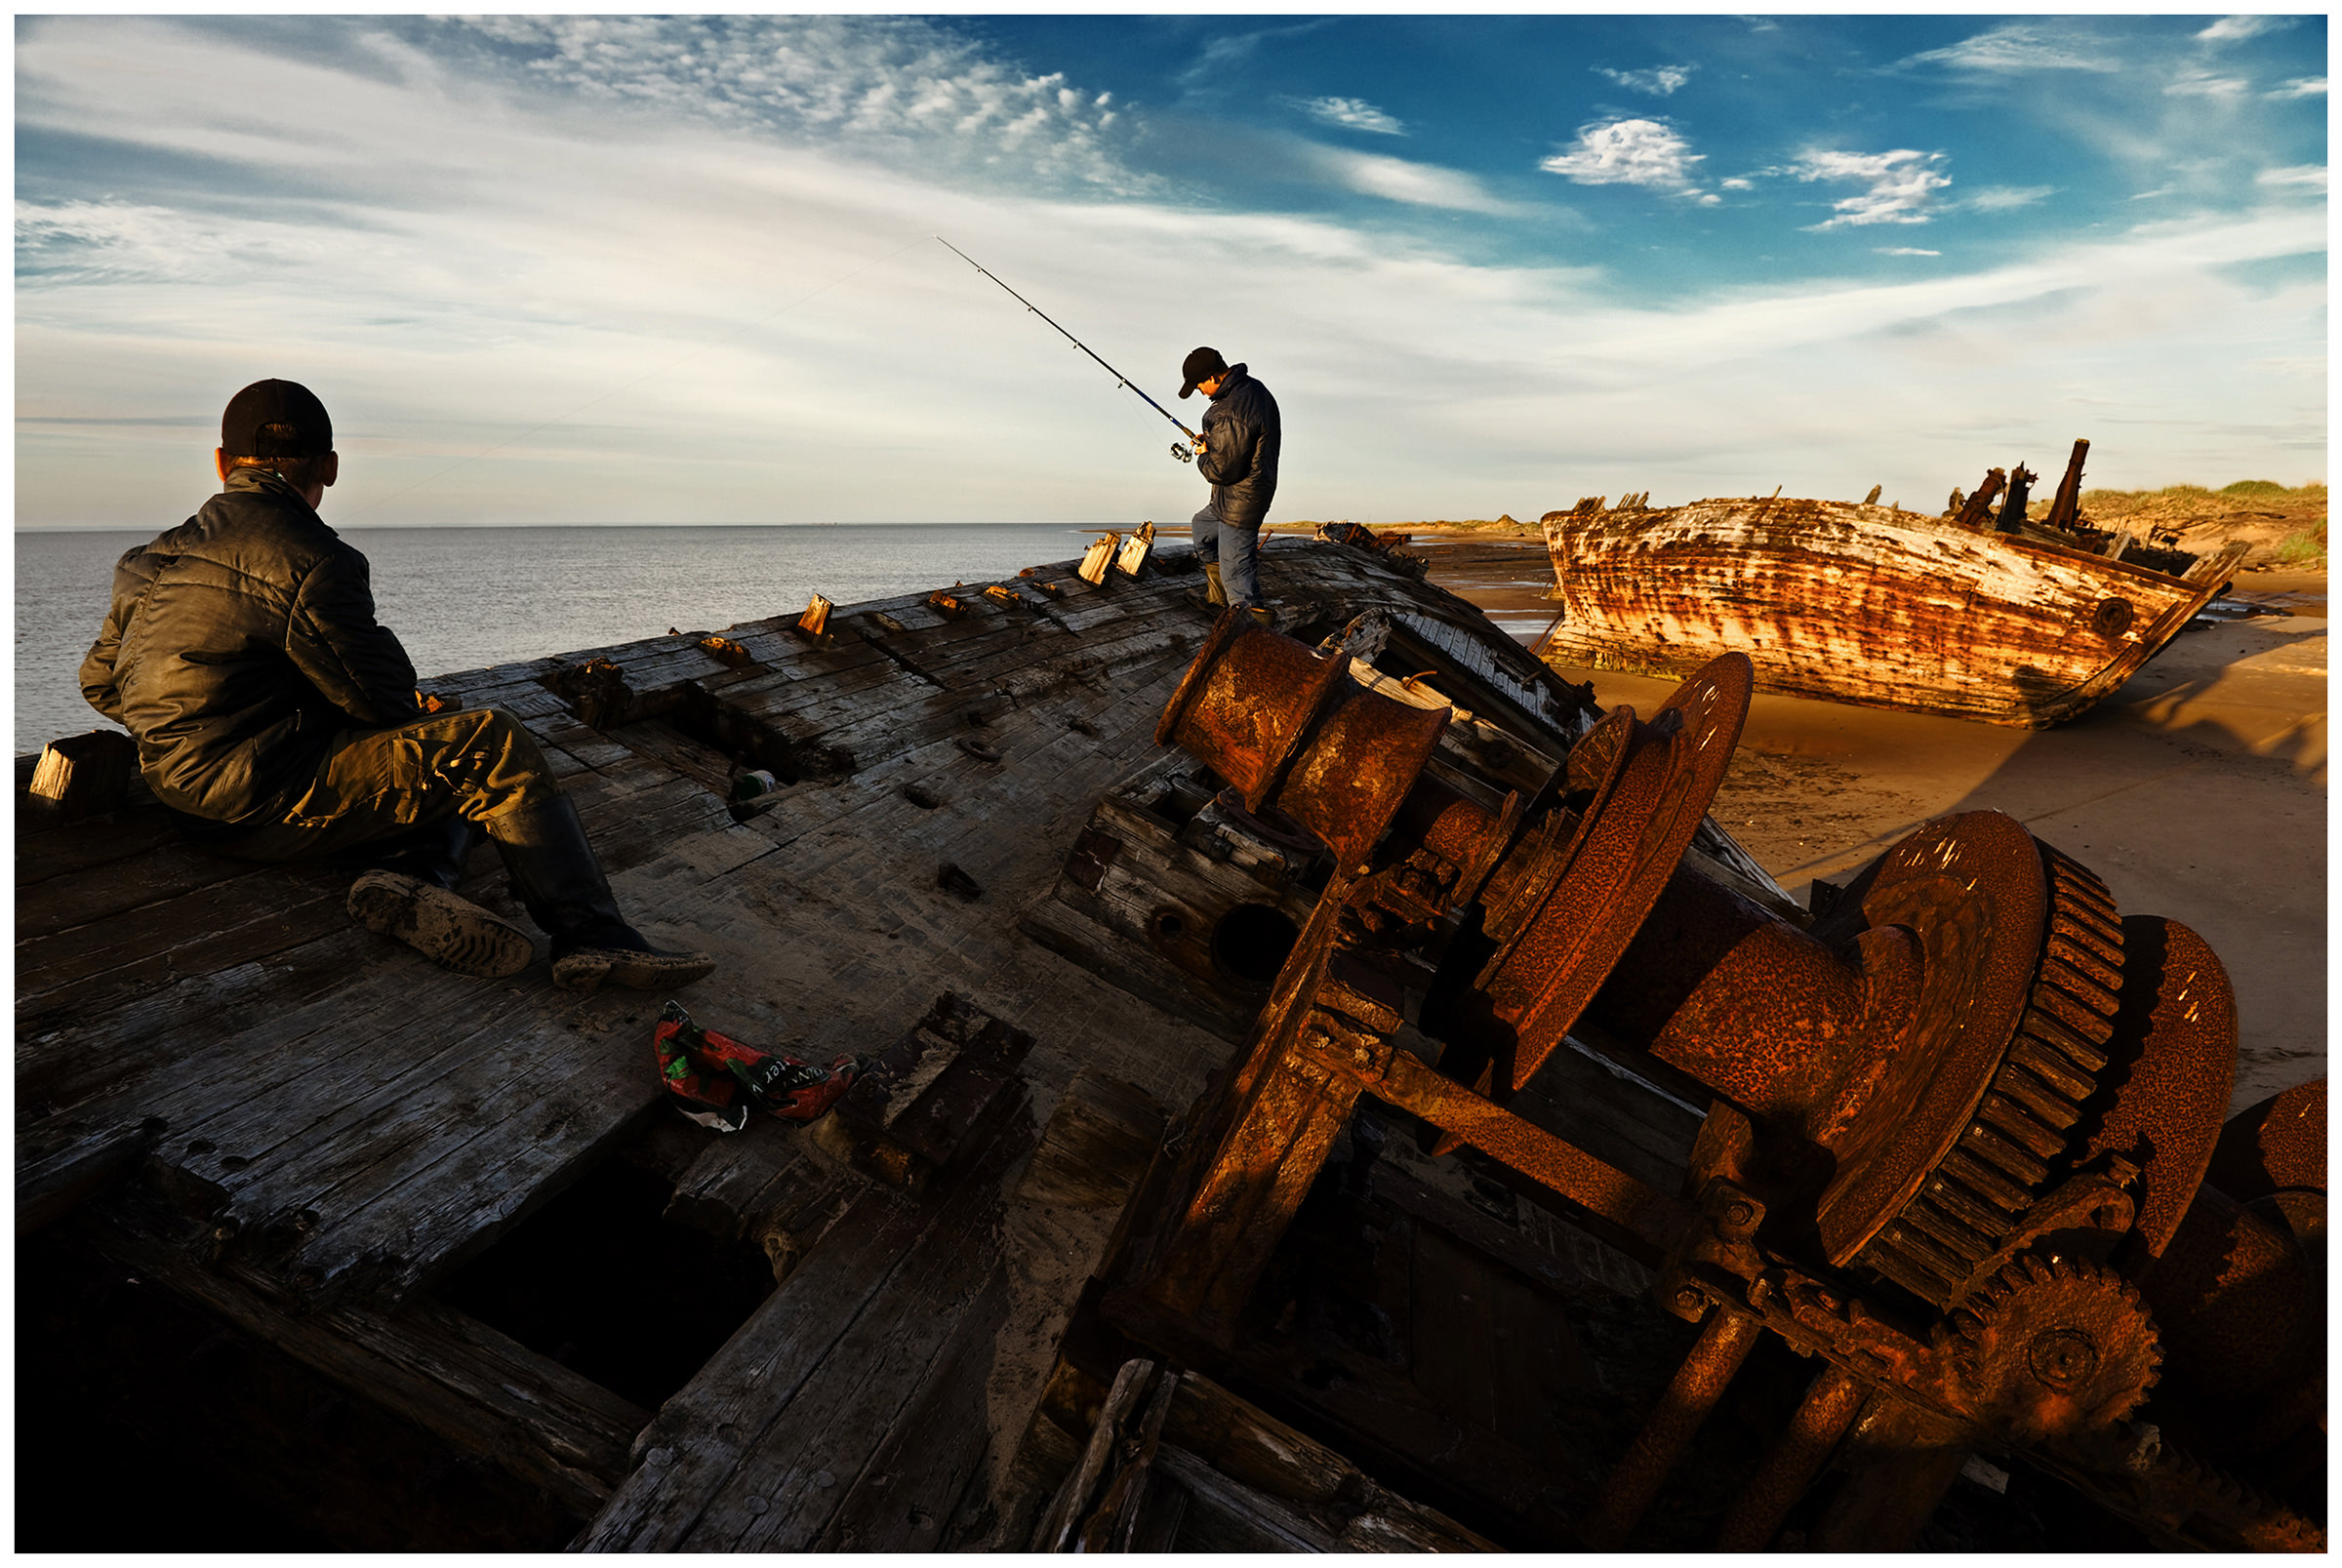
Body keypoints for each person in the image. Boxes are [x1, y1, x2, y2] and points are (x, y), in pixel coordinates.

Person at [79, 378, 717, 992]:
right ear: (328, 467)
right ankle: (593, 935)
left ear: (221, 462)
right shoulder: (315, 561)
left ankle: (414, 875)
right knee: (488, 743)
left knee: (436, 755)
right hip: (255, 809)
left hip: (182, 801)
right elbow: (382, 699)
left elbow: (101, 685)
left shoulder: (145, 561)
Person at [1178, 346, 1281, 621]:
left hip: (1241, 500)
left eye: (1199, 384)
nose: (1198, 390)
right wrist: (1213, 441)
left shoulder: (1229, 409)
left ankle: (1253, 631)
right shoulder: (1250, 389)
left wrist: (1202, 456)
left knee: (1236, 572)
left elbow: (1221, 470)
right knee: (1202, 529)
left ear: (1213, 377)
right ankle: (1217, 598)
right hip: (1236, 496)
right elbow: (1241, 442)